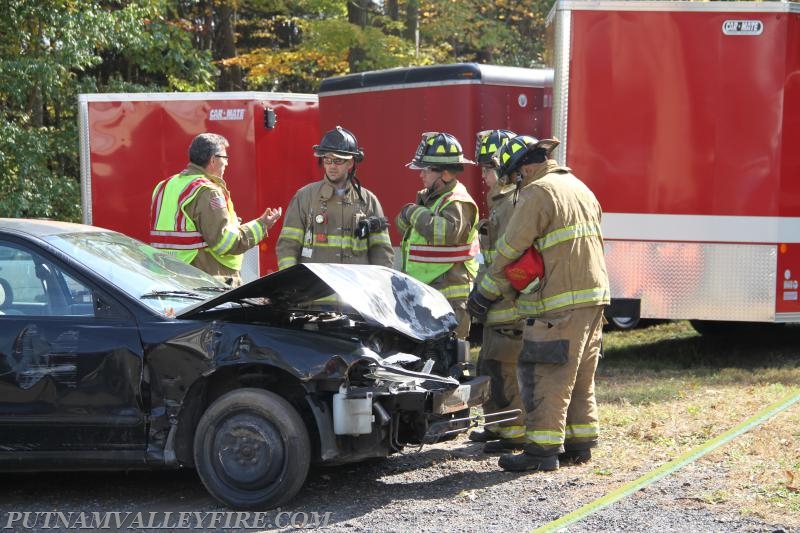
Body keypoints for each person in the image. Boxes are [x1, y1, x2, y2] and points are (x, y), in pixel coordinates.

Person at [468, 134, 610, 472]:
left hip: (559, 301)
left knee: (547, 372)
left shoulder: (537, 192)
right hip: (594, 298)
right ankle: (579, 442)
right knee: (579, 373)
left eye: (514, 175)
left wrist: (484, 293)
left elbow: (510, 248)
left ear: (525, 167)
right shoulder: (578, 186)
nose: (514, 183)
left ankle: (540, 452)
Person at [149, 133, 282, 287]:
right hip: (203, 283)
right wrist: (261, 225)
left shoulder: (164, 186)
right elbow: (225, 243)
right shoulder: (207, 191)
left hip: (168, 278)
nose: (227, 163)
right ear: (213, 160)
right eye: (225, 158)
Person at [467, 129, 528, 453]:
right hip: (494, 305)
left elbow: (511, 259)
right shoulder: (498, 203)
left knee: (506, 368)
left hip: (508, 306)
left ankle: (514, 433)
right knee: (489, 366)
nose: (484, 175)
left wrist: (489, 294)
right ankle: (495, 425)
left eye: (489, 168)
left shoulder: (512, 205)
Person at [396, 131, 480, 339]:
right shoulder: (431, 199)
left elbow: (445, 234)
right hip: (427, 294)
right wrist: (412, 212)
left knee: (449, 360)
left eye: (425, 170)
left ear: (445, 173)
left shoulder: (458, 201)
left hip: (449, 300)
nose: (420, 175)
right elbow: (403, 227)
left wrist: (414, 212)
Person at [276, 125, 394, 269]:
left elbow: (381, 251)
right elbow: (287, 245)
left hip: (355, 285)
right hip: (316, 287)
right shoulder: (305, 197)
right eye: (327, 160)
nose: (332, 166)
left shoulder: (368, 201)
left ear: (350, 163)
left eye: (338, 161)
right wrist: (291, 282)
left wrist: (380, 285)